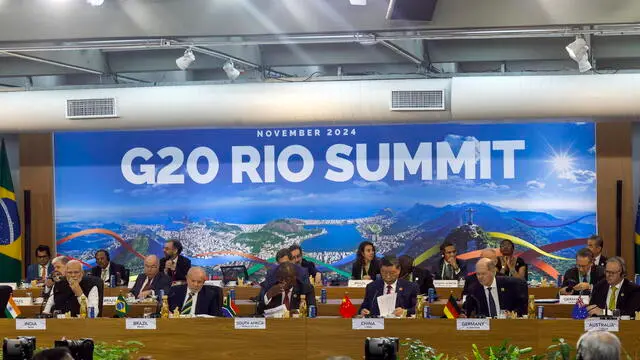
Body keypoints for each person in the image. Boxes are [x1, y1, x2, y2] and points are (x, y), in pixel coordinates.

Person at [464, 258, 528, 317]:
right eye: (478, 274)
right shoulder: (473, 289)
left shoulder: (510, 284)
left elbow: (522, 305)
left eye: (483, 274)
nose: (480, 277)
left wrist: (513, 313)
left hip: (508, 324)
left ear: (493, 272)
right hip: (485, 326)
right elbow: (467, 308)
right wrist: (463, 314)